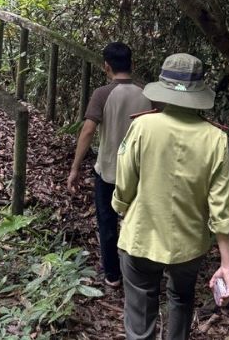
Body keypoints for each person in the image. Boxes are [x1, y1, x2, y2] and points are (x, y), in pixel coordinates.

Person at [112, 53, 229, 340]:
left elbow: (125, 183)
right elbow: (222, 206)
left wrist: (121, 207)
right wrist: (226, 264)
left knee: (140, 313)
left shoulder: (143, 126)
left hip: (141, 237)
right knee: (181, 299)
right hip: (188, 245)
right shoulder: (215, 138)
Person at [67, 42, 151, 287]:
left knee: (107, 222)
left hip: (109, 171)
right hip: (140, 172)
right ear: (132, 64)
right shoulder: (148, 94)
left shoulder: (102, 94)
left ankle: (113, 275)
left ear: (106, 67)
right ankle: (139, 273)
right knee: (137, 221)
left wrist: (75, 168)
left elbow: (88, 131)